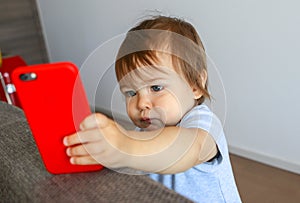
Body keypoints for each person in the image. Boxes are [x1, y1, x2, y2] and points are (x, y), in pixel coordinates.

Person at [63, 16, 241, 202]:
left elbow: (188, 148)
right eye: (131, 93)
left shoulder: (204, 123)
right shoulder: (143, 133)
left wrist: (125, 146)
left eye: (156, 88)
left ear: (195, 85)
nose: (141, 103)